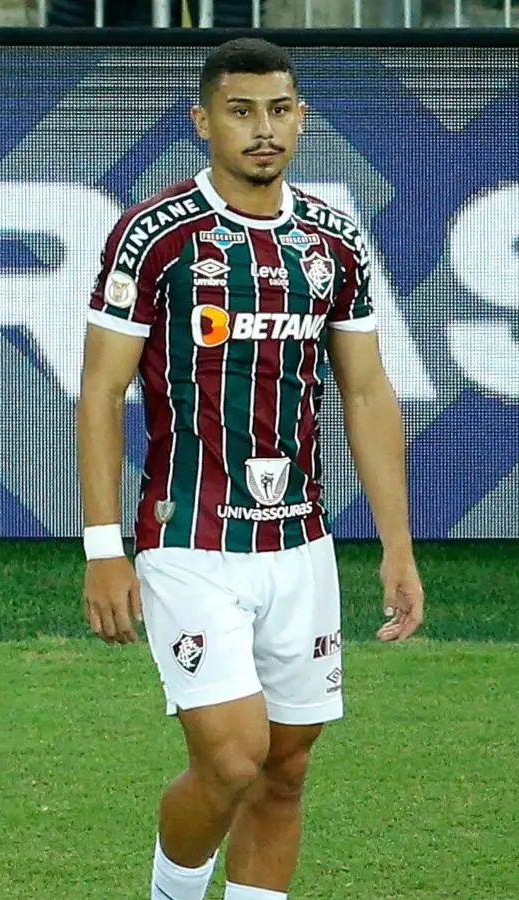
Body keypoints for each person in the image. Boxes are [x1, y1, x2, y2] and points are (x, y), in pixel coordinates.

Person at [76, 37, 425, 900]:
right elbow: (99, 391)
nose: (262, 130)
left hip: (299, 542)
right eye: (241, 112)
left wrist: (398, 547)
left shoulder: (335, 241)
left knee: (288, 766)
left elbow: (370, 392)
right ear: (203, 122)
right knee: (233, 756)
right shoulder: (153, 236)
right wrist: (102, 545)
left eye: (278, 110)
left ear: (300, 118)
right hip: (187, 537)